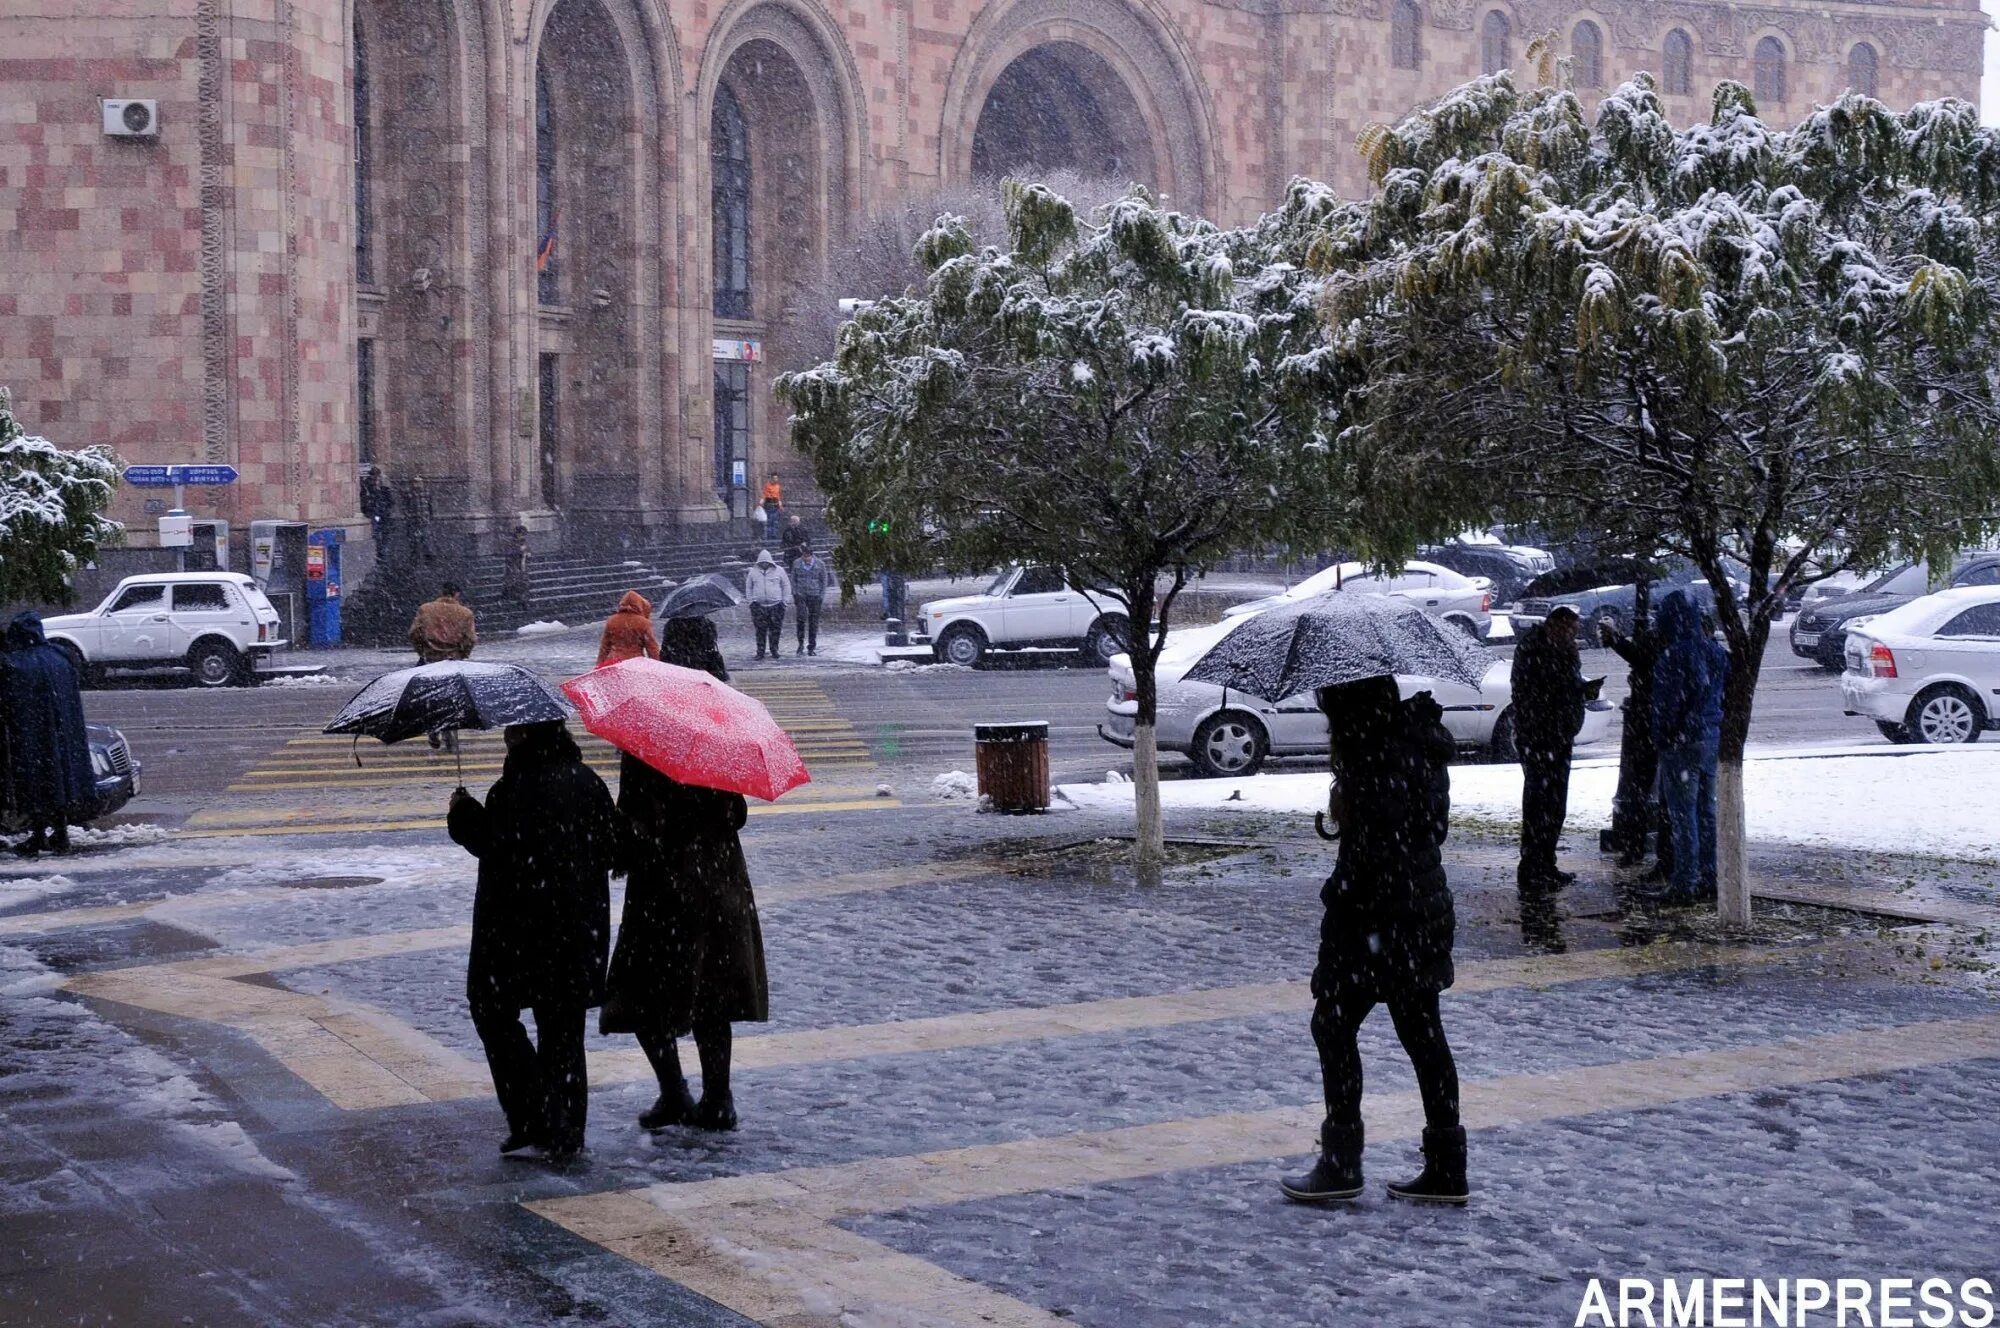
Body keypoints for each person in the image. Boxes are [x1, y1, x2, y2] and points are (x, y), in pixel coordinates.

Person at [1280, 676, 1466, 1206]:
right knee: (1423, 1036)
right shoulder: (1416, 746)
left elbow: (1370, 859)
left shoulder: (1375, 758)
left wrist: (1349, 816)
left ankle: (1341, 1163)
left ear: (1350, 712)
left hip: (1380, 922)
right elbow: (1426, 829)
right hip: (1421, 908)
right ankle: (1447, 1167)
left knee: (1334, 1026)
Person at [447, 721, 624, 1159]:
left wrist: (463, 817)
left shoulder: (511, 790)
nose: (508, 735)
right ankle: (564, 1128)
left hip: (514, 928)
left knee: (492, 1011)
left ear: (528, 737)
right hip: (577, 928)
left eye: (514, 730)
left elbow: (495, 845)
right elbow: (615, 848)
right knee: (562, 1027)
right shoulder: (587, 781)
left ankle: (535, 1115)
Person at [602, 689, 768, 1132]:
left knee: (643, 995)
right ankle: (717, 1097)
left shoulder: (644, 749)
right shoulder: (719, 746)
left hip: (664, 893)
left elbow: (632, 830)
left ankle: (674, 1091)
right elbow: (736, 814)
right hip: (718, 886)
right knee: (711, 998)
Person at [1650, 591, 1728, 904]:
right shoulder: (1715, 651)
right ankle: (1710, 876)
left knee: (1684, 816)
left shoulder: (1673, 655)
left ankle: (1685, 881)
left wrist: (1665, 735)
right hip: (1710, 738)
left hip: (1682, 743)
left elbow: (1669, 703)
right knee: (1706, 812)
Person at [0, 612, 95, 858]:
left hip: (33, 737)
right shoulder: (60, 657)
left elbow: (10, 701)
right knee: (60, 783)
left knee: (36, 785)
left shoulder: (17, 663)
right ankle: (60, 834)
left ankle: (39, 835)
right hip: (64, 736)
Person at [1511, 605, 1590, 895]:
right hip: (1540, 737)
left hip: (1558, 735)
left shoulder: (1559, 651)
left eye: (1574, 632)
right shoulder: (1535, 650)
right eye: (1568, 630)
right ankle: (1533, 866)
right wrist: (1570, 672)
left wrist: (1579, 685)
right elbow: (1542, 689)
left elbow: (1563, 687)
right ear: (1555, 626)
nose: (1572, 636)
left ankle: (1546, 863)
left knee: (1555, 805)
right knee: (1540, 805)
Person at [410, 582, 477, 751]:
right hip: (453, 660)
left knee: (432, 695)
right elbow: (470, 639)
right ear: (457, 595)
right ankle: (450, 729)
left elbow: (414, 633)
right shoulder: (465, 613)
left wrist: (423, 650)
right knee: (453, 696)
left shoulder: (426, 609)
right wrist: (462, 653)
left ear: (441, 593)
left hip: (430, 659)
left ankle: (433, 727)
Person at [744, 550, 790, 661]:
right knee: (760, 630)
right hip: (759, 606)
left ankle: (774, 650)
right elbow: (748, 587)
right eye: (762, 562)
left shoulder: (779, 571)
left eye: (766, 562)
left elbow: (786, 586)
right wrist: (751, 602)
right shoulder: (753, 572)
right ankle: (760, 651)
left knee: (775, 629)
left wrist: (784, 602)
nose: (764, 564)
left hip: (776, 605)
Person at [597, 590, 659, 667]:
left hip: (614, 661)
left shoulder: (611, 620)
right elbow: (651, 647)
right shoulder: (643, 623)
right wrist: (657, 664)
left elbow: (605, 646)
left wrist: (599, 664)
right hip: (635, 661)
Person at [661, 615, 729, 682]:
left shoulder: (672, 624)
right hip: (702, 662)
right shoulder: (706, 624)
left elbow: (666, 645)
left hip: (678, 662)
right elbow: (711, 645)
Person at [791, 546, 829, 656]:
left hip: (815, 595)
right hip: (801, 594)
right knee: (801, 619)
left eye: (807, 556)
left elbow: (823, 580)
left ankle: (811, 646)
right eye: (804, 555)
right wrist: (795, 593)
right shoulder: (797, 563)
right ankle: (800, 644)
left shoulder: (820, 564)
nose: (805, 558)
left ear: (811, 555)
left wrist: (821, 595)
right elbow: (793, 579)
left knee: (813, 622)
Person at [360, 467, 394, 547]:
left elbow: (389, 499)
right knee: (377, 532)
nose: (375, 478)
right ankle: (379, 548)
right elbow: (366, 499)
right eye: (374, 476)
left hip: (381, 512)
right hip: (374, 512)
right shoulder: (368, 485)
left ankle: (382, 548)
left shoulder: (382, 486)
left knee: (384, 532)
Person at [406, 475, 436, 564]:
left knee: (426, 538)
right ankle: (415, 556)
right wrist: (408, 515)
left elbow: (430, 505)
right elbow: (406, 505)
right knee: (414, 539)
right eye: (415, 482)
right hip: (414, 519)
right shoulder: (409, 493)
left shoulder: (426, 492)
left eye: (419, 482)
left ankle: (428, 556)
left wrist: (430, 516)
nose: (417, 484)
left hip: (424, 519)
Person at [503, 526, 532, 611]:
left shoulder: (525, 543)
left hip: (522, 567)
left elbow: (528, 552)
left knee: (524, 584)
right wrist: (519, 551)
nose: (522, 536)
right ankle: (510, 598)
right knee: (513, 583)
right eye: (521, 534)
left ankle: (523, 600)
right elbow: (508, 553)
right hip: (514, 567)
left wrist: (528, 554)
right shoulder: (510, 542)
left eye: (524, 535)